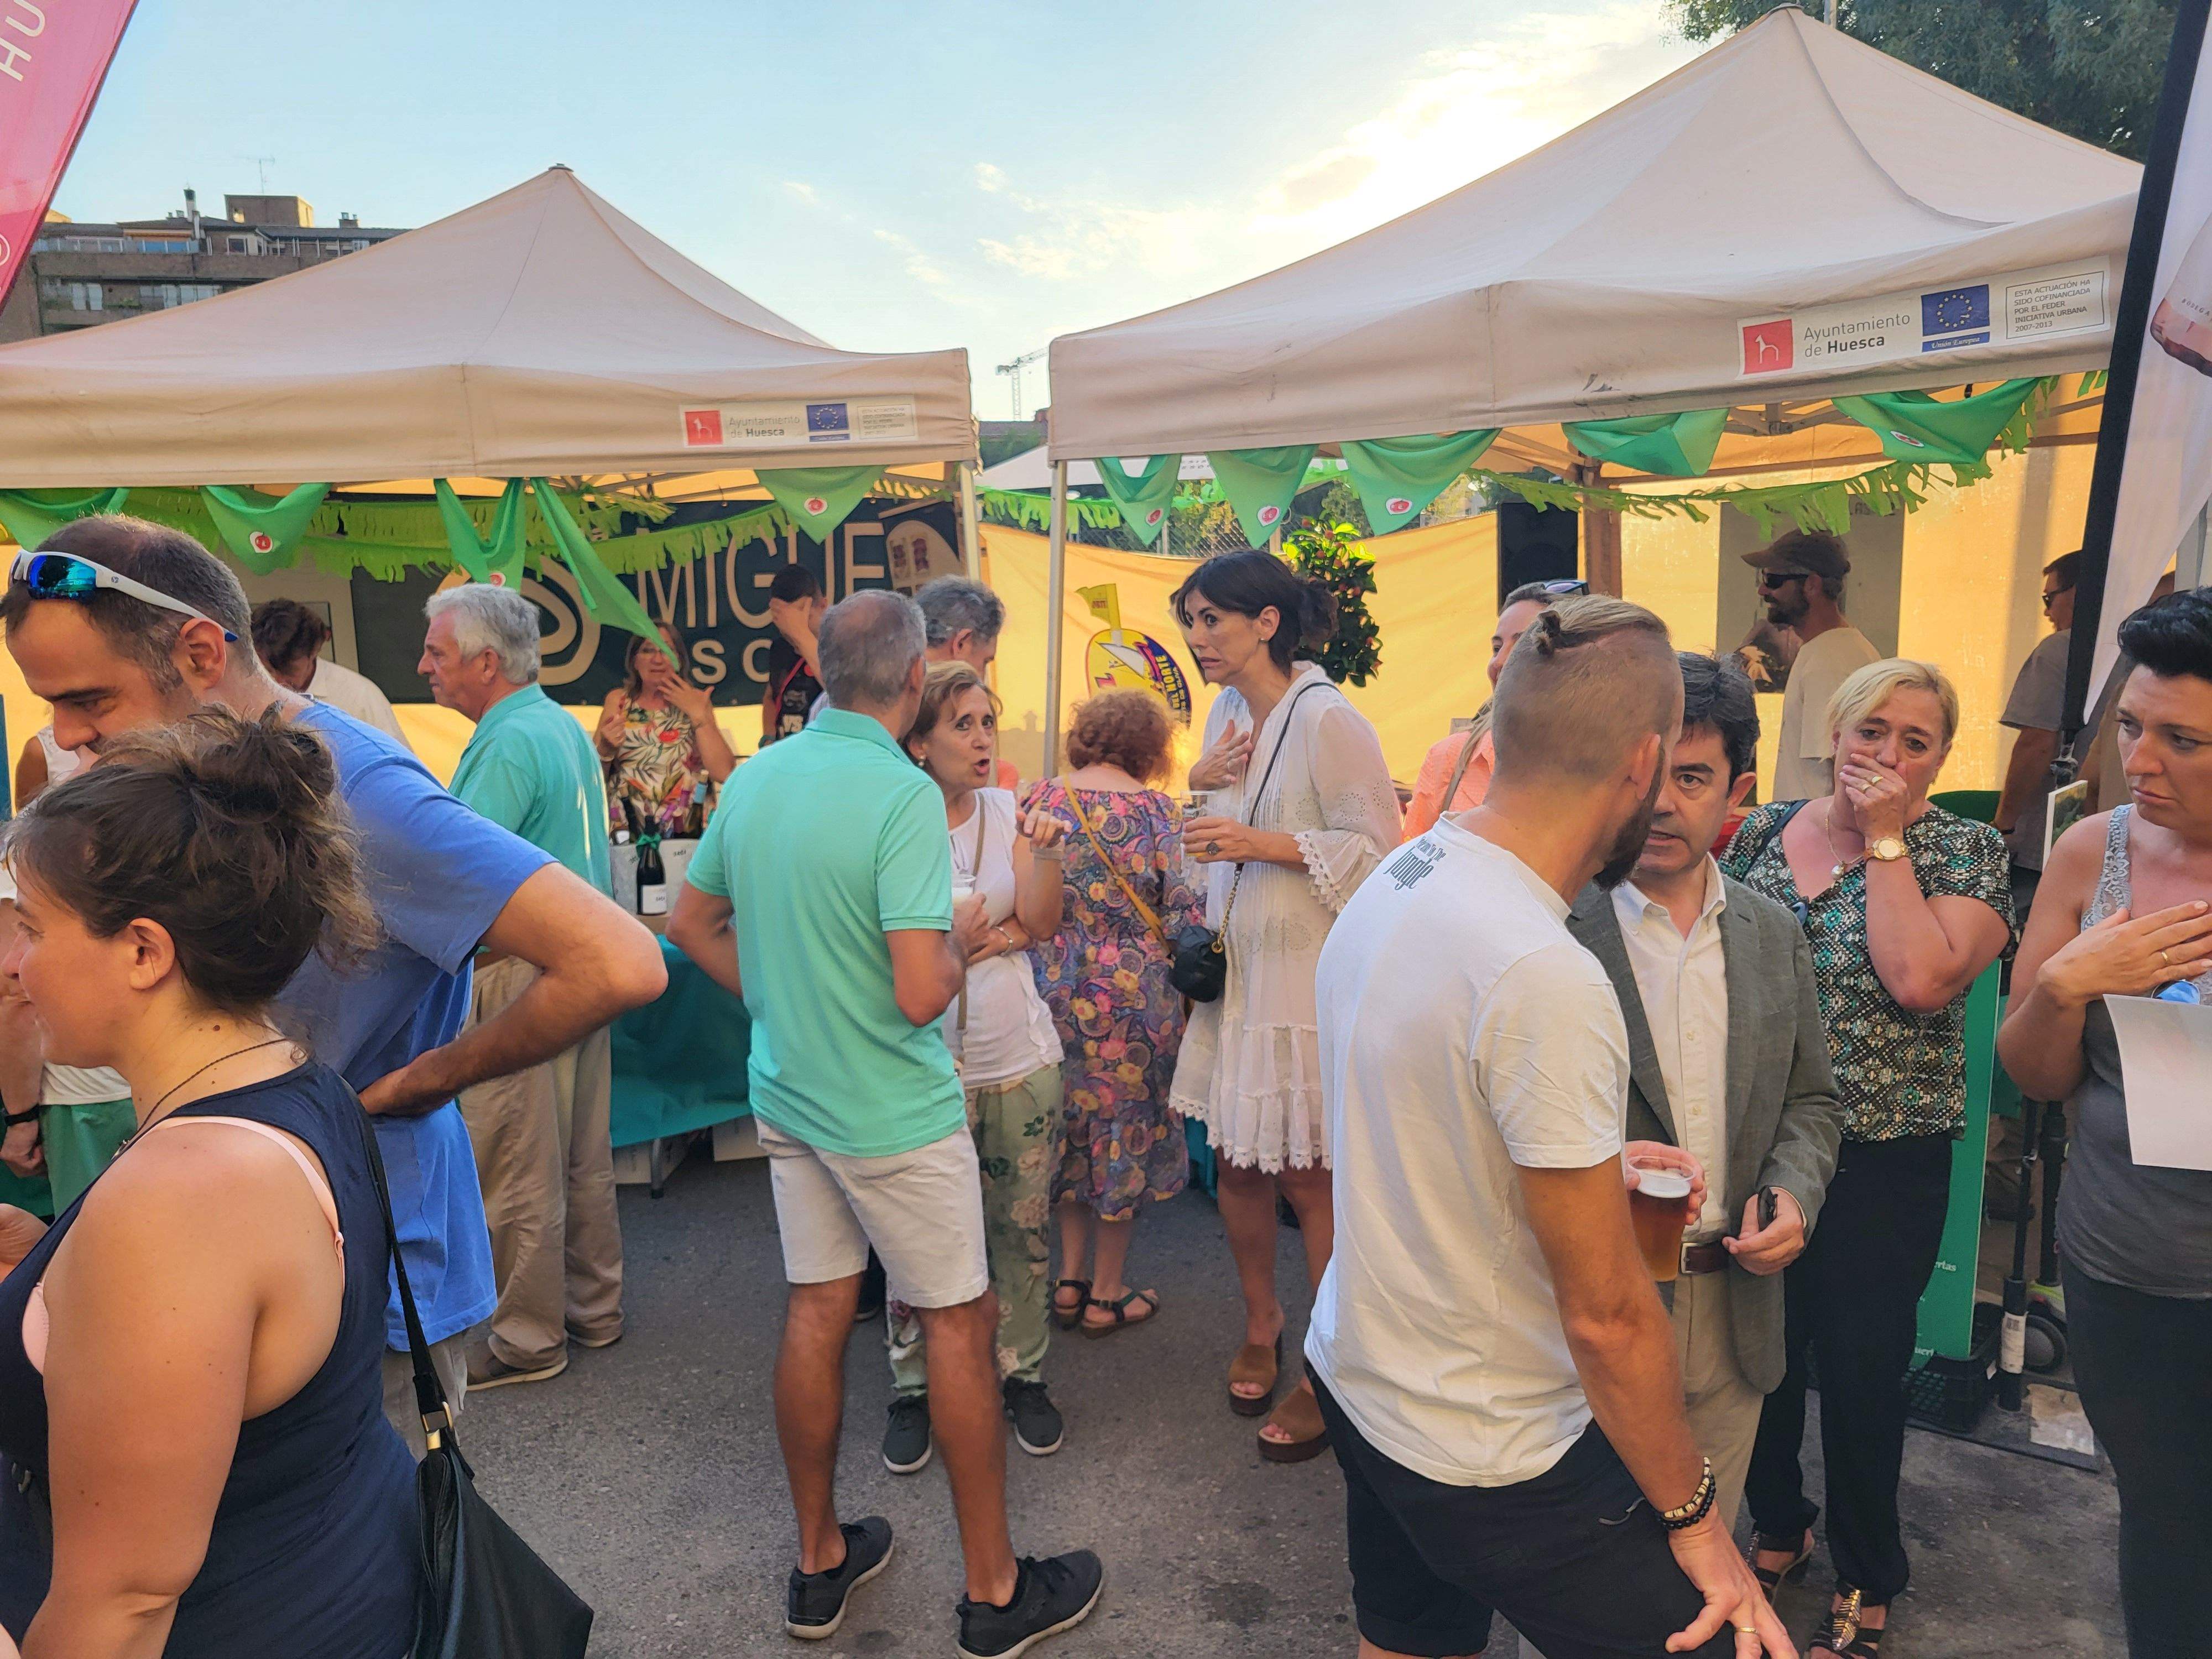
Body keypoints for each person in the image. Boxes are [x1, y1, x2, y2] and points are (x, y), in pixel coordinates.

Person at [2, 515, 667, 1453]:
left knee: (363, 1565)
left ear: (199, 652)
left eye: (87, 699)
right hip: (265, 1249)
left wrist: (418, 1079)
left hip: (372, 1272)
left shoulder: (359, 790)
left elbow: (617, 959)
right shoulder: (206, 780)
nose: (65, 733)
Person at [1308, 594, 1790, 1659]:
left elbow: (1420, 1100)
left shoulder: (1407, 869)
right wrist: (1699, 1522)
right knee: (1733, 1640)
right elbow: (1610, 1318)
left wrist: (1588, 1156)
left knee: (1408, 1643)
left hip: (1361, 1376)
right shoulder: (1543, 972)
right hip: (1495, 1450)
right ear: (1646, 763)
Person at [666, 589, 1101, 1655]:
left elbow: (690, 920)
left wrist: (773, 1001)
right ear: (915, 682)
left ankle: (819, 1558)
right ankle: (994, 1592)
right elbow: (919, 994)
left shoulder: (760, 774)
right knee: (959, 1318)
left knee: (819, 1307)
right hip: (890, 1105)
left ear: (822, 671)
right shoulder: (902, 796)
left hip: (790, 1091)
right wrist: (963, 942)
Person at [0, 708, 416, 1658]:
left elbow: (129, 1602)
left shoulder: (184, 1192)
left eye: (31, 930)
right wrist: (42, 1273)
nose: (15, 969)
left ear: (145, 951)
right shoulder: (294, 1079)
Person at [1724, 658, 2012, 1659]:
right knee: (1755, 1356)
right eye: (1872, 731)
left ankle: (1868, 1569)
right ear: (1836, 732)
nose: (1888, 755)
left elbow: (1922, 980)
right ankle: (1778, 1522)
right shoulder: (1764, 828)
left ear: (1941, 757)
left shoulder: (1966, 852)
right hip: (1760, 1146)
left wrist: (1887, 841)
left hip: (1885, 1157)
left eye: (1916, 741)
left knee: (1858, 1372)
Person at [1566, 653, 1842, 1530]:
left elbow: (1813, 1101)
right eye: (1646, 775)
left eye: (1692, 778)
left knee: (1704, 1557)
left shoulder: (1771, 932)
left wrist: (1796, 1190)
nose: (1661, 803)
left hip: (1736, 1307)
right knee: (1586, 1566)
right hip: (1594, 1303)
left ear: (1739, 793)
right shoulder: (1552, 924)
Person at [1996, 589, 2212, 1659]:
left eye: (2184, 739)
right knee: (2166, 1523)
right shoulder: (2094, 853)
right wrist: (2067, 988)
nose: (2143, 761)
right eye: (2132, 726)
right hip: (2127, 1269)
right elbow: (2034, 1076)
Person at [1170, 549, 1401, 1462]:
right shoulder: (1229, 712)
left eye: (1212, 621)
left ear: (1268, 622)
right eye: (1191, 621)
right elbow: (1206, 832)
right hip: (1239, 970)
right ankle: (1262, 1323)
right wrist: (1199, 785)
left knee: (1311, 1176)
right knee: (1235, 1162)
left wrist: (1257, 841)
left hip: (1303, 981)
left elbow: (1381, 848)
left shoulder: (1331, 718)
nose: (1197, 639)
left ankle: (1331, 1359)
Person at [421, 583, 625, 1390]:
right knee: (582, 1156)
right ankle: (594, 1310)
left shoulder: (506, 743)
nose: (426, 669)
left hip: (523, 974)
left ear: (485, 662)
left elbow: (455, 869)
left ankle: (528, 1338)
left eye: (437, 654)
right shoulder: (556, 723)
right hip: (584, 962)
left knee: (516, 1162)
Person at [881, 662, 1072, 1473]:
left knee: (1020, 1230)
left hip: (1017, 1057)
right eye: (962, 723)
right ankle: (913, 1386)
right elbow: (894, 948)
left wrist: (1045, 859)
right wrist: (974, 942)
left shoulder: (1011, 812)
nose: (983, 737)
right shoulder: (891, 820)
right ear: (920, 741)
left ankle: (1021, 1373)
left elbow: (1041, 921)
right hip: (920, 1063)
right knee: (915, 1237)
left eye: (987, 721)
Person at [1025, 690, 1204, 1338]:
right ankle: (1106, 1293)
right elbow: (1185, 915)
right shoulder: (1160, 813)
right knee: (1122, 1136)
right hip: (1134, 1002)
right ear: (1151, 749)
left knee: (1070, 1132)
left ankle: (1067, 1281)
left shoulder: (1039, 800)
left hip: (1051, 990)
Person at [0, 729, 130, 1214]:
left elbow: (17, 998)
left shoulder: (27, 864)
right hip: (166, 1077)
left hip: (85, 1099)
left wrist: (21, 1117)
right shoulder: (158, 849)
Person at [1402, 578, 1584, 837]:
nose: (1499, 662)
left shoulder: (1599, 762)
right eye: (1496, 648)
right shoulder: (1450, 758)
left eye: (1523, 646)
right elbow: (1410, 871)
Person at [1742, 531, 1879, 803]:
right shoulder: (1831, 649)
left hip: (1812, 831)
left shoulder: (1829, 660)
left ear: (1812, 585)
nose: (1762, 590)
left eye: (1773, 580)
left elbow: (1831, 774)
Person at [1992, 552, 2081, 917]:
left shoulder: (2061, 650)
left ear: (2079, 593)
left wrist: (2005, 824)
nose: (2047, 612)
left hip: (2048, 842)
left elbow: (2036, 742)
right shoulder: (2142, 649)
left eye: (2050, 598)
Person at [597, 620, 735, 834]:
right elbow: (592, 778)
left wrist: (701, 718)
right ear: (634, 660)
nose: (657, 659)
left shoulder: (696, 701)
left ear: (679, 659)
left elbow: (724, 773)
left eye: (667, 650)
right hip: (629, 830)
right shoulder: (619, 701)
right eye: (648, 650)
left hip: (687, 830)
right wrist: (605, 751)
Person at [248, 596, 411, 748]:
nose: (278, 681)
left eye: (289, 669)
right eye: (267, 670)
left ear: (314, 651)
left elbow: (399, 767)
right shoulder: (244, 692)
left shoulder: (361, 697)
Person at [920, 576, 1018, 790]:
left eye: (987, 724)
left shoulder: (884, 690)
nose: (984, 742)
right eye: (985, 662)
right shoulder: (908, 701)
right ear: (961, 644)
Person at [764, 564, 827, 746]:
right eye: (784, 621)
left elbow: (842, 695)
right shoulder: (780, 648)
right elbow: (770, 696)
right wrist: (768, 737)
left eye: (803, 619)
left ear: (823, 605)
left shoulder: (839, 647)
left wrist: (801, 635)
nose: (791, 629)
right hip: (785, 754)